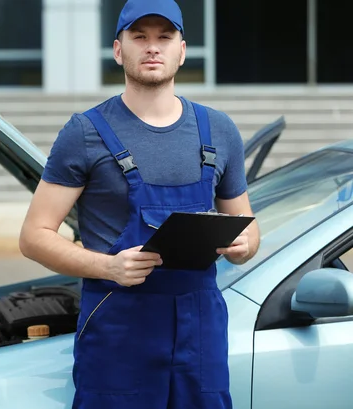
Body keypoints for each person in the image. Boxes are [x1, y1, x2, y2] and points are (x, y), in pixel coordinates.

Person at [19, 0, 260, 408]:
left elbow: (248, 228)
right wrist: (107, 266)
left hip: (199, 337)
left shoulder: (218, 130)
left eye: (165, 37)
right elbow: (34, 236)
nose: (153, 47)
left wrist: (244, 246)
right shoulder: (85, 132)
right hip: (118, 333)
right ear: (118, 50)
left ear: (182, 51)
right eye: (140, 37)